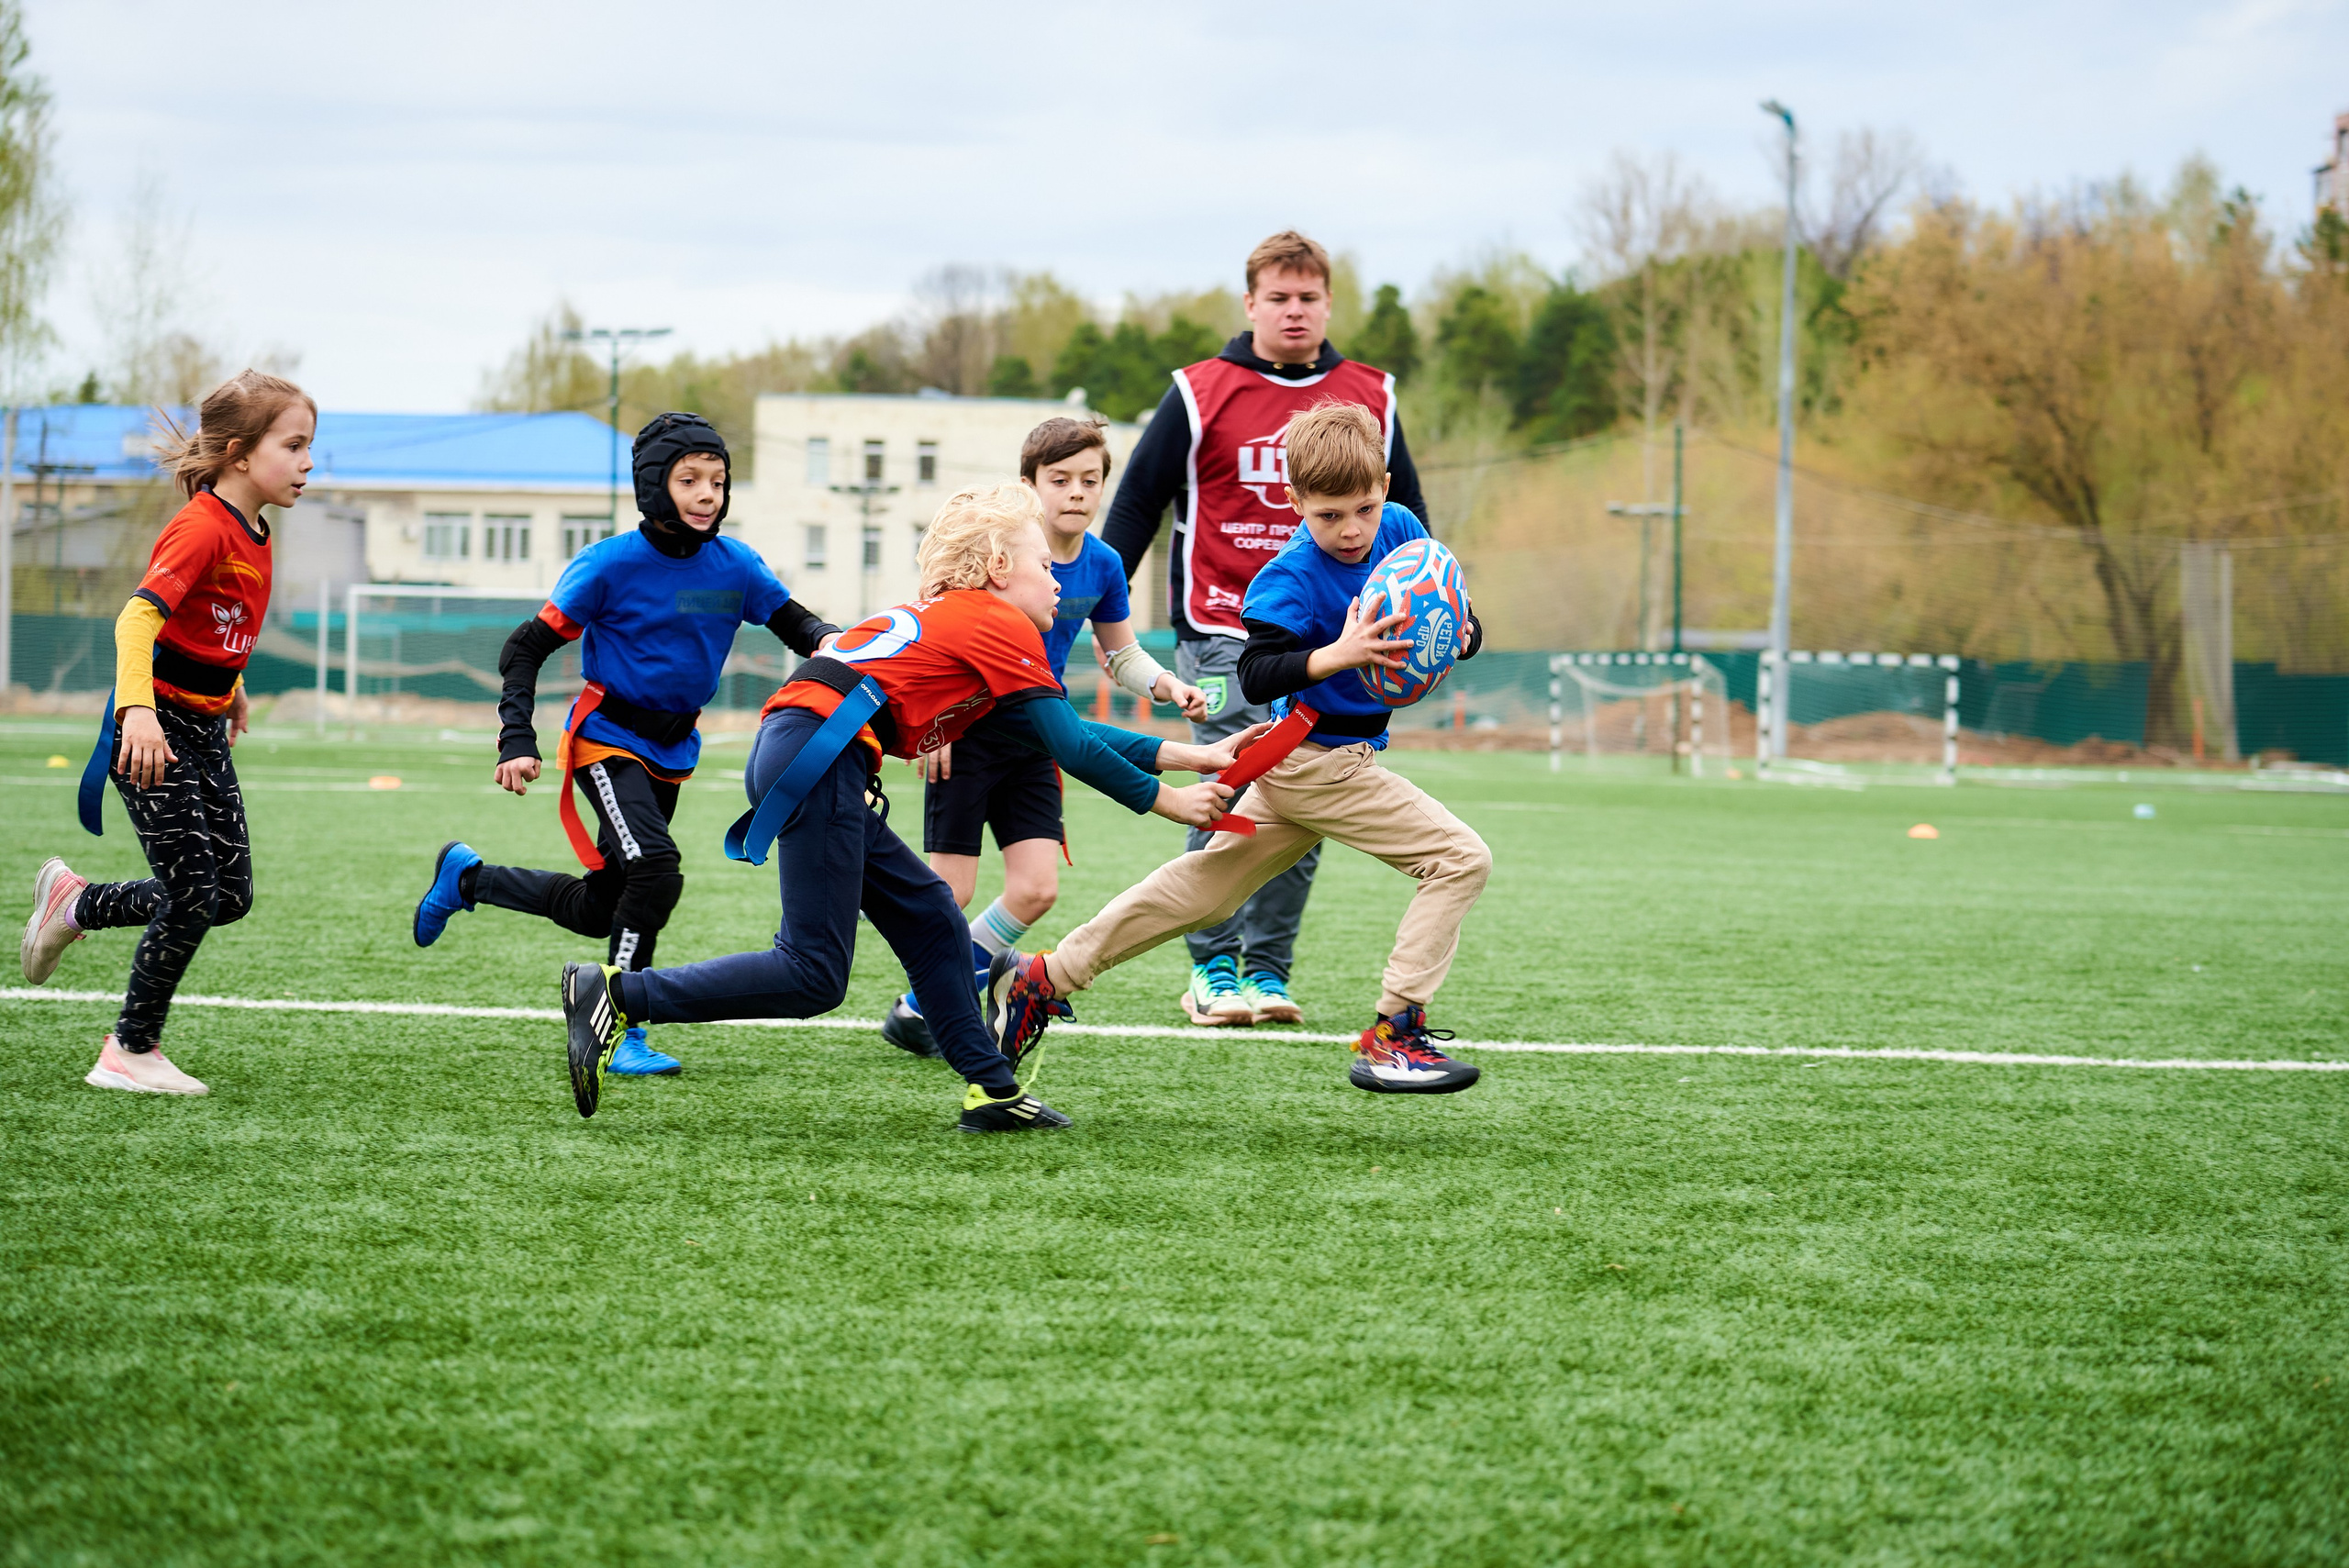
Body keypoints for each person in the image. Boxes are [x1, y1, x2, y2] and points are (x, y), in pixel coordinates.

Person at [557, 483, 1262, 1133]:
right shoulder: (998, 623)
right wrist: (1173, 804)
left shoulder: (965, 619)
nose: (1058, 580)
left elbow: (1059, 734)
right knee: (812, 973)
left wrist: (1193, 756)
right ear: (994, 565)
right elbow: (1070, 746)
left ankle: (991, 1088)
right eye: (1044, 565)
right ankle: (618, 995)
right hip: (818, 750)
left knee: (930, 915)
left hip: (809, 744)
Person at [991, 402, 1490, 1096]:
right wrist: (1336, 654)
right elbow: (1258, 671)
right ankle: (1394, 1033)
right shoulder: (1285, 579)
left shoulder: (1402, 531)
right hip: (1319, 761)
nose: (1351, 530)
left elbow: (1458, 616)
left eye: (1364, 508)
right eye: (1328, 515)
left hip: (1305, 762)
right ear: (1294, 502)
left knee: (1205, 892)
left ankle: (1044, 977)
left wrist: (1462, 635)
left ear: (1384, 485)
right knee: (1460, 858)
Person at [411, 413, 839, 1077]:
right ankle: (623, 1022)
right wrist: (515, 736)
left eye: (718, 481)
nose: (707, 494)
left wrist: (844, 645)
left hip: (674, 748)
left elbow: (800, 624)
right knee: (656, 868)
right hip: (606, 737)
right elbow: (526, 646)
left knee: (601, 907)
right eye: (689, 479)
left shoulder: (738, 565)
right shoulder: (608, 564)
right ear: (652, 485)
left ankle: (467, 877)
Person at [1099, 228, 1430, 1028]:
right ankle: (1213, 964)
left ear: (1327, 304)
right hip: (1221, 632)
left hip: (1334, 643)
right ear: (1250, 304)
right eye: (1277, 297)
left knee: (1308, 796)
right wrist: (1091, 600)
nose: (1293, 311)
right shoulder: (1198, 389)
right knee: (1235, 781)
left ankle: (1266, 969)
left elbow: (1413, 521)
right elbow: (1139, 502)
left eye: (1308, 297)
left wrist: (1428, 606)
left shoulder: (1371, 395)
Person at [19, 371, 316, 1095]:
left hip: (204, 726)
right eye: (296, 445)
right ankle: (129, 1048)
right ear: (241, 454)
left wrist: (234, 686)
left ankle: (76, 904)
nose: (310, 462)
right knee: (192, 894)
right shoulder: (202, 524)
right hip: (154, 729)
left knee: (229, 895)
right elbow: (137, 619)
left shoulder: (256, 529)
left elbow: (210, 624)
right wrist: (139, 713)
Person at [879, 414, 1208, 1057]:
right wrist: (932, 720)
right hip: (970, 732)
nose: (1077, 492)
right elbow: (933, 627)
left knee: (1036, 888)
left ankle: (922, 1003)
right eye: (1060, 479)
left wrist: (1166, 685)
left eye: (1091, 479)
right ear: (1029, 485)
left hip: (1041, 735)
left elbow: (1122, 654)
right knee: (952, 890)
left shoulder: (1106, 563)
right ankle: (936, 999)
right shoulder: (995, 554)